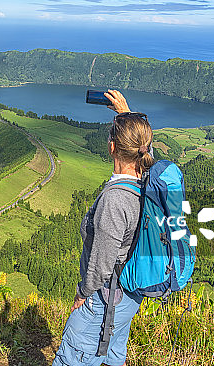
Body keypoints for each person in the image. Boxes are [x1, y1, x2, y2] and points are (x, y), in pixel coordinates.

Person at [52, 89, 155, 366]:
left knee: (73, 357)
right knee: (112, 357)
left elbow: (101, 262)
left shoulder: (115, 199)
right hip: (128, 298)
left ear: (111, 147)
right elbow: (143, 147)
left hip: (102, 301)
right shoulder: (148, 182)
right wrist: (125, 114)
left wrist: (82, 295)